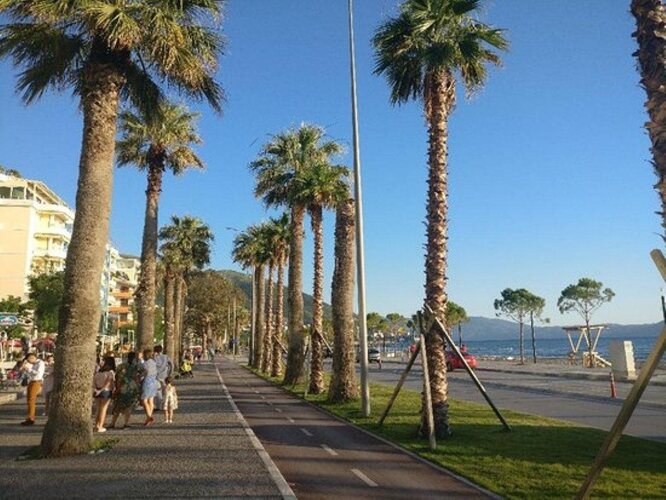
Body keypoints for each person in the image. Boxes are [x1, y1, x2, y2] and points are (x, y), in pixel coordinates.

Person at [110, 351, 141, 429]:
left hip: (123, 386)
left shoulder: (121, 366)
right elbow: (136, 377)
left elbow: (118, 377)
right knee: (129, 406)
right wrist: (138, 386)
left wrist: (117, 387)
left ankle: (113, 423)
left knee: (118, 405)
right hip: (131, 387)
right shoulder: (135, 367)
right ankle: (126, 422)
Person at [19, 352, 45, 426]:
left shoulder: (40, 363)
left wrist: (28, 369)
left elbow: (38, 373)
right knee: (29, 400)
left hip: (36, 381)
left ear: (32, 358)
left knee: (31, 400)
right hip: (31, 381)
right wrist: (25, 369)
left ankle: (31, 418)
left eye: (28, 360)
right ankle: (29, 417)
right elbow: (28, 373)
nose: (29, 362)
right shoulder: (32, 364)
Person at [93, 356, 116, 432]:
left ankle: (96, 425)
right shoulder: (110, 372)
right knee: (103, 409)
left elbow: (94, 381)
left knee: (98, 409)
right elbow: (108, 383)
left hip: (97, 390)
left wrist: (96, 389)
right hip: (106, 391)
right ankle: (100, 426)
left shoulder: (99, 372)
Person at [153, 345, 173, 411]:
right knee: (166, 390)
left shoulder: (154, 358)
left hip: (156, 376)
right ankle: (167, 404)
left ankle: (158, 406)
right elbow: (171, 364)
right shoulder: (166, 357)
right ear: (162, 350)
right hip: (165, 375)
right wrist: (170, 373)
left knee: (158, 391)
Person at [141, 348, 157, 426]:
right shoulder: (153, 362)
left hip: (147, 381)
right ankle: (149, 417)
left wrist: (140, 375)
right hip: (154, 381)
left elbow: (145, 372)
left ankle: (149, 416)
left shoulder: (145, 363)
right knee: (151, 400)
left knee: (144, 400)